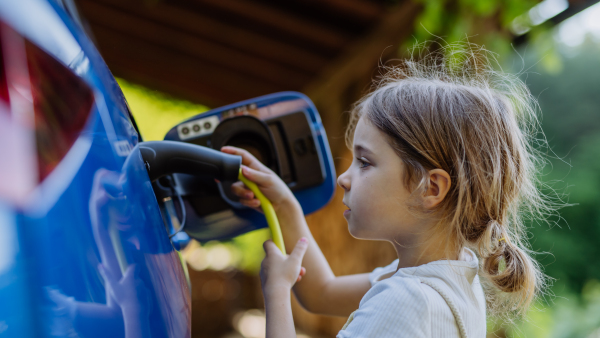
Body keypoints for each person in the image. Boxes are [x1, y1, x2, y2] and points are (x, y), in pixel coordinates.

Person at [221, 42, 554, 338]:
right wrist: (284, 204)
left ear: (431, 188)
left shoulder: (405, 303)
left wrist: (276, 292)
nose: (343, 179)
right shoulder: (450, 277)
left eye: (364, 162)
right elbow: (322, 292)